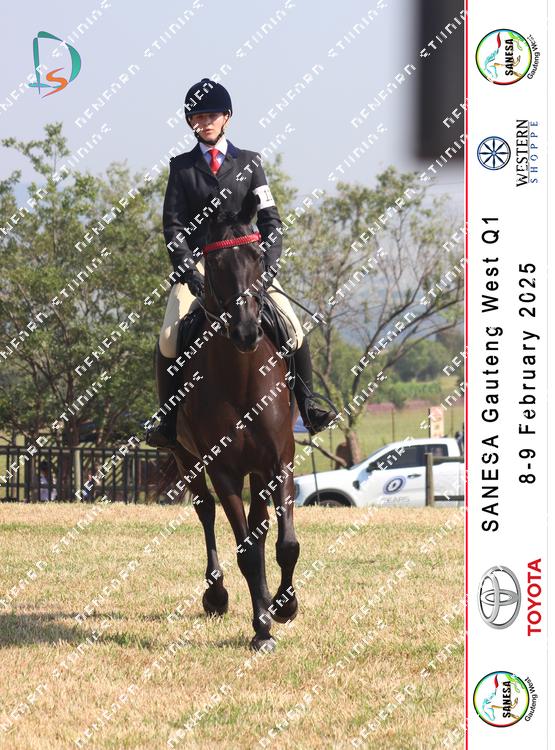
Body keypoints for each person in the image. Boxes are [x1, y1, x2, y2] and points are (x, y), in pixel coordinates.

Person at [146, 78, 337, 448]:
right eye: (198, 117)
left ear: (226, 117)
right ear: (190, 122)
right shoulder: (182, 168)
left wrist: (269, 266)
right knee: (169, 339)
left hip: (249, 266)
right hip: (202, 265)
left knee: (293, 328)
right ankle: (168, 422)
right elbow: (173, 227)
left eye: (211, 115)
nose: (205, 122)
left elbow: (271, 221)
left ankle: (309, 405)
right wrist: (188, 272)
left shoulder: (250, 163)